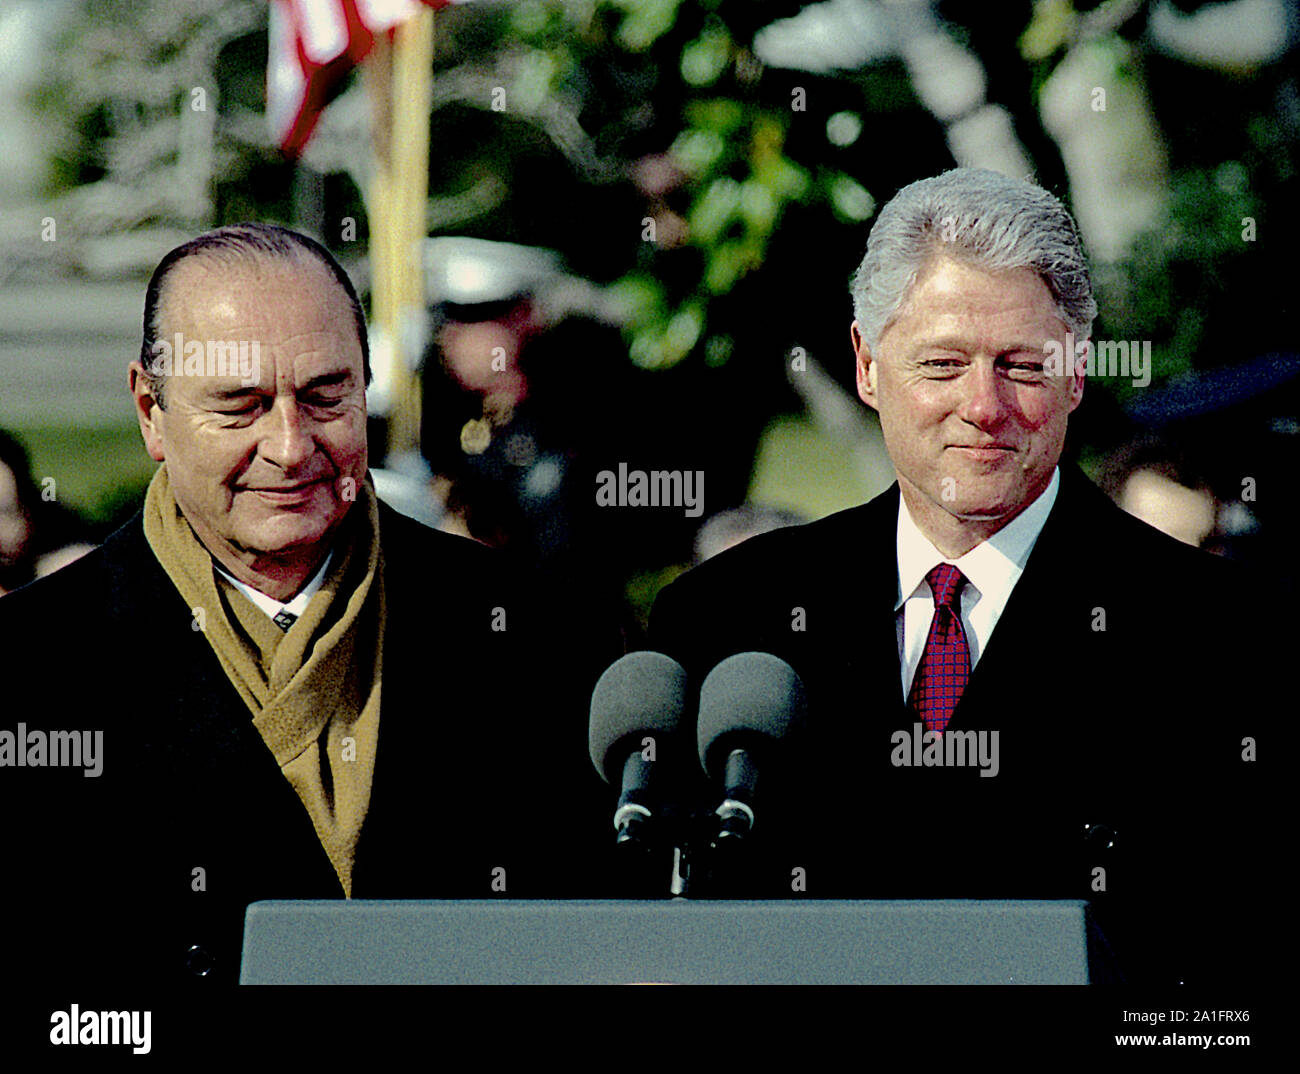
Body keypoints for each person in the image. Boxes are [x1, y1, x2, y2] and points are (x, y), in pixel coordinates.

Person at [649, 169, 1269, 985]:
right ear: (867, 366)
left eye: (1020, 365)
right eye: (942, 364)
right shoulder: (727, 618)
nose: (983, 405)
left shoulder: (1226, 636)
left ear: (1076, 372)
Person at [0, 224, 615, 991]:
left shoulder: (549, 643)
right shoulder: (24, 669)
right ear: (151, 410)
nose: (291, 447)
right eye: (240, 406)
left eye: (326, 397)